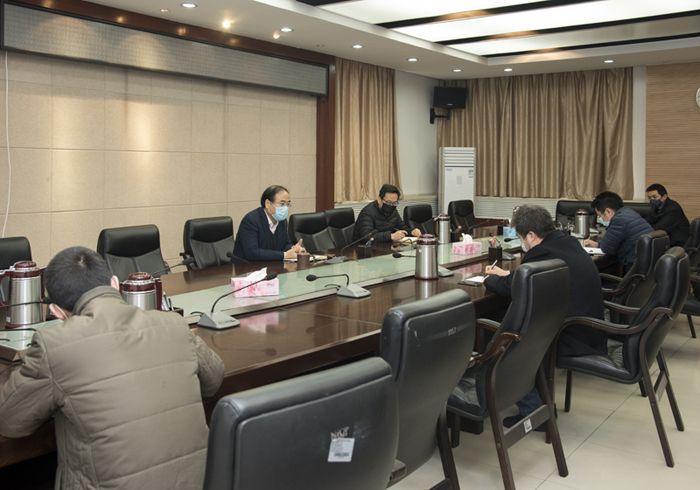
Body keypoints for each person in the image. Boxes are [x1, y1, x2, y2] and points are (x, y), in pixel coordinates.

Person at [0, 247, 224, 489]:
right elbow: (214, 379)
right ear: (115, 284)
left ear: (56, 312)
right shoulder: (174, 324)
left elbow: (9, 420)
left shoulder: (54, 345)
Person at [484, 205, 607, 428]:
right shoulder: (565, 242)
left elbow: (515, 287)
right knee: (510, 319)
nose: (523, 242)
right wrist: (510, 275)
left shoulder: (541, 252)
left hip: (570, 334)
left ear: (531, 235)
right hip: (588, 326)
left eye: (521, 236)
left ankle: (533, 410)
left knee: (510, 339)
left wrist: (490, 279)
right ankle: (522, 399)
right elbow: (529, 278)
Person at [583, 191, 653, 272]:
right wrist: (597, 244)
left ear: (608, 211)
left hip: (633, 266)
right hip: (646, 264)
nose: (599, 219)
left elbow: (606, 249)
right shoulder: (628, 212)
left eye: (600, 216)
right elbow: (612, 244)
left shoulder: (619, 220)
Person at [233, 185, 304, 261]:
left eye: (288, 204)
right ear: (267, 204)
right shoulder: (251, 220)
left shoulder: (282, 221)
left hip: (271, 265)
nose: (286, 208)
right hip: (246, 266)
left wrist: (294, 249)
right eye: (282, 204)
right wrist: (285, 255)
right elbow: (252, 253)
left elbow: (285, 244)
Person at [353, 184, 422, 243]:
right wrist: (391, 236)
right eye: (388, 202)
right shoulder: (367, 212)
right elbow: (367, 236)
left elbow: (401, 227)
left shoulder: (393, 210)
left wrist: (412, 231)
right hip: (363, 249)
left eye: (394, 203)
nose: (391, 205)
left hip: (384, 246)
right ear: (379, 199)